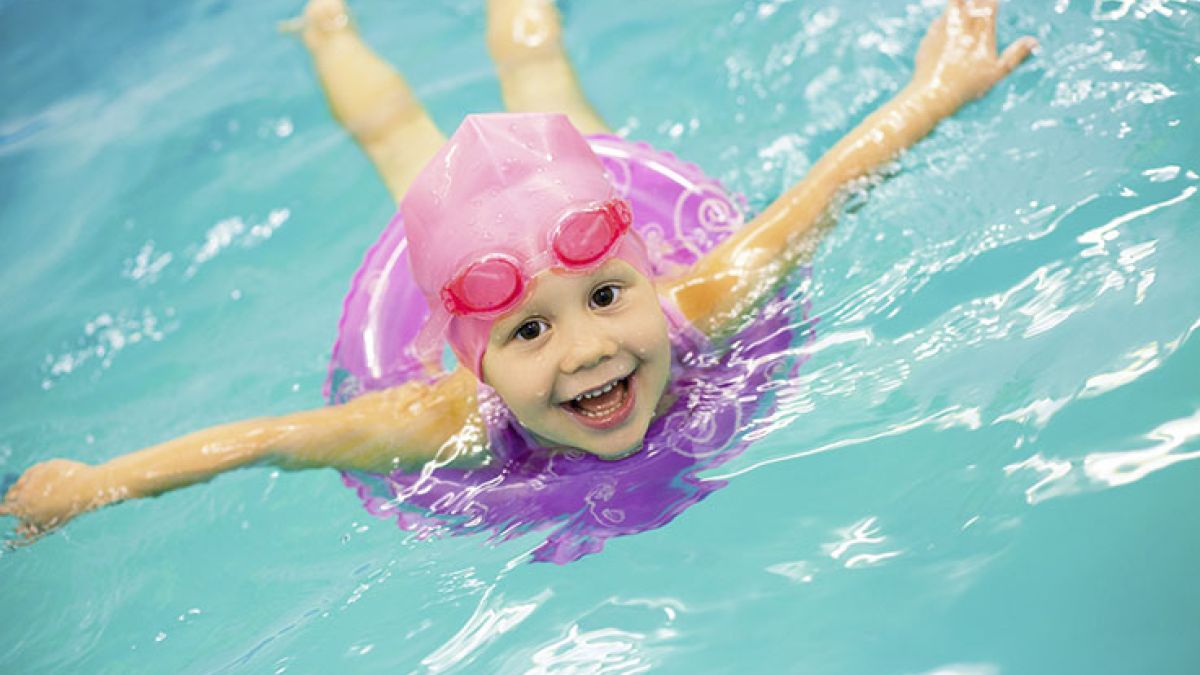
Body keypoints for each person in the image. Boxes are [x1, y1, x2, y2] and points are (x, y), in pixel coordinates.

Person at [0, 0, 1035, 544]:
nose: (587, 348)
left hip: (566, 188)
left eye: (606, 296)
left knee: (539, 71)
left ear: (644, 282)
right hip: (458, 241)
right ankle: (326, 23)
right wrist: (95, 484)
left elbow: (822, 194)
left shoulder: (698, 306)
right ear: (477, 362)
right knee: (397, 135)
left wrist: (937, 90)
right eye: (529, 331)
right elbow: (270, 440)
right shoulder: (440, 421)